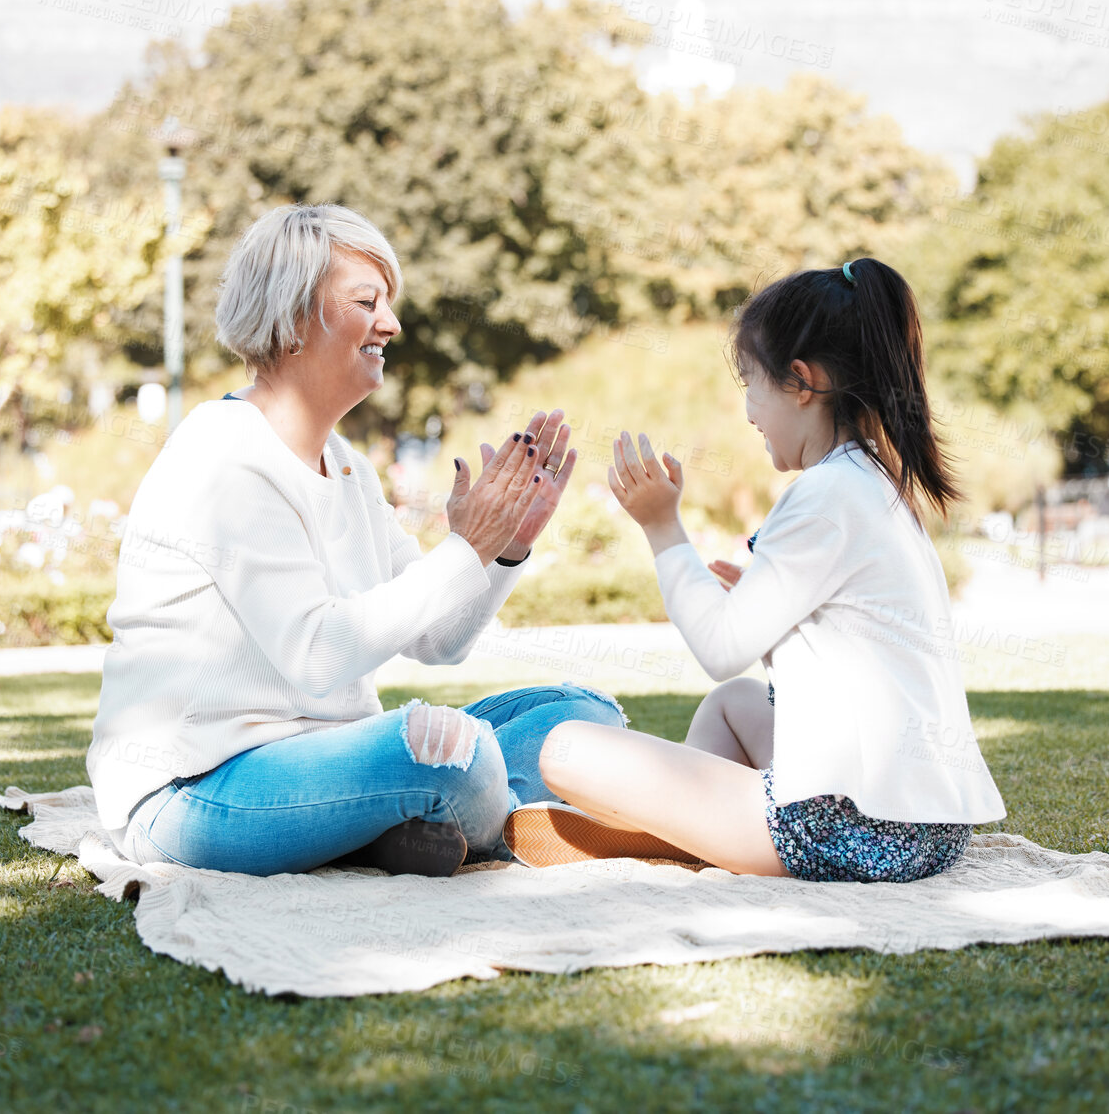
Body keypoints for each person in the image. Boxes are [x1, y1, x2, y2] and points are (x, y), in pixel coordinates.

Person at [87, 203, 627, 878]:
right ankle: (451, 813)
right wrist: (464, 549)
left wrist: (502, 547)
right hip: (196, 789)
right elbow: (316, 653)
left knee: (583, 716)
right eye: (367, 301)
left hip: (327, 755)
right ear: (289, 319)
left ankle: (407, 819)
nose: (391, 323)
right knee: (452, 755)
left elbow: (439, 639)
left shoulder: (345, 465)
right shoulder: (223, 456)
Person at [505, 257, 1006, 880]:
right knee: (733, 703)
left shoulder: (824, 496)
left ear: (801, 382)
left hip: (847, 833)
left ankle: (675, 833)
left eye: (752, 382)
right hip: (924, 829)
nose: (747, 411)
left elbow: (719, 645)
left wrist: (662, 526)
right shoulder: (873, 483)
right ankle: (683, 830)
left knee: (566, 748)